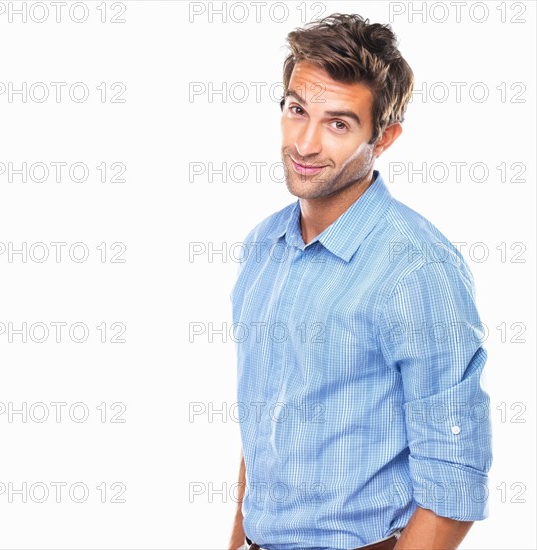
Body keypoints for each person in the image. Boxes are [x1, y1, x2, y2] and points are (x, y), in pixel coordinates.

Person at [228, 13, 492, 550]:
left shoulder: (417, 267)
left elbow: (454, 477)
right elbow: (263, 430)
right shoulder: (264, 247)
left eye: (338, 124)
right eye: (297, 111)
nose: (304, 144)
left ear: (385, 137)